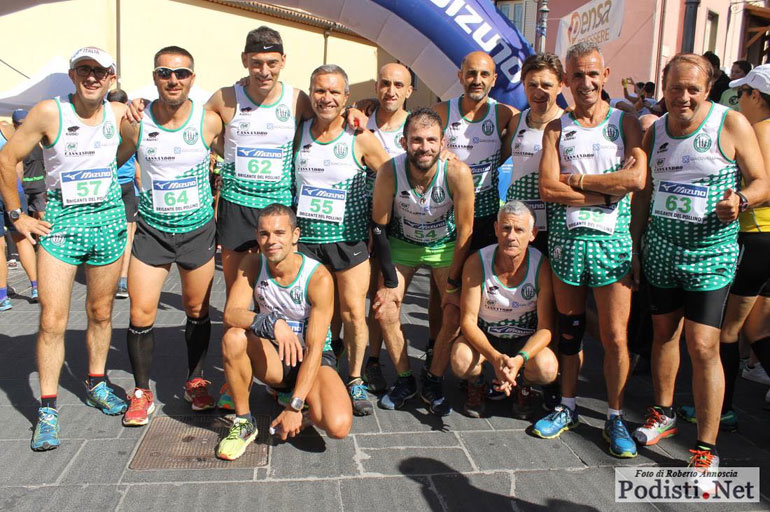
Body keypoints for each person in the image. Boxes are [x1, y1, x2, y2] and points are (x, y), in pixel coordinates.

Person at [630, 56, 768, 477]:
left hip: (710, 253)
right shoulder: (655, 132)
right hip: (661, 249)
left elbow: (763, 181)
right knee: (663, 334)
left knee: (704, 346)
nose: (683, 96)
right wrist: (637, 246)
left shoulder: (730, 124)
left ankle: (705, 449)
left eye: (692, 88)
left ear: (708, 89)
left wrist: (740, 201)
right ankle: (663, 412)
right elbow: (644, 193)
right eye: (675, 88)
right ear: (665, 88)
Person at [0, 47, 129, 451]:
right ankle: (49, 408)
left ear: (111, 77)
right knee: (52, 320)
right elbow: (6, 159)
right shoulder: (48, 112)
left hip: (107, 218)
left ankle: (95, 381)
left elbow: (126, 151)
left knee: (101, 312)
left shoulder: (119, 114)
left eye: (100, 71)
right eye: (84, 70)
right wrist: (17, 215)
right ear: (73, 75)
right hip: (62, 222)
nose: (92, 77)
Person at [532, 41, 647, 459]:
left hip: (612, 245)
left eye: (592, 74)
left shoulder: (625, 122)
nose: (585, 82)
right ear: (566, 80)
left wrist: (579, 183)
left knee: (616, 337)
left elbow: (635, 179)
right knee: (571, 329)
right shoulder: (557, 129)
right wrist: (605, 191)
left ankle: (615, 415)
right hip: (567, 243)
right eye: (577, 75)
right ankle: (568, 406)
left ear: (606, 74)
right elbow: (547, 187)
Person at [117, 46, 223, 426]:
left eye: (181, 74)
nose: (173, 80)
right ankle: (142, 391)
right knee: (140, 312)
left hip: (197, 232)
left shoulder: (209, 121)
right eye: (164, 72)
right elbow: (114, 159)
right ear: (155, 76)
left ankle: (196, 380)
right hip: (153, 231)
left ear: (192, 78)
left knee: (197, 311)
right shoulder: (136, 122)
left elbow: (238, 147)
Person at [217, 203, 352, 460]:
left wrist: (295, 407)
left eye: (280, 233)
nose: (271, 241)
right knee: (234, 336)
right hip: (275, 358)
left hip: (312, 359)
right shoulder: (252, 263)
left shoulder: (318, 277)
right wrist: (272, 323)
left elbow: (313, 349)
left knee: (338, 426)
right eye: (265, 234)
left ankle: (301, 404)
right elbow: (231, 313)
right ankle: (244, 422)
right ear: (257, 236)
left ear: (295, 236)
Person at [293, 64, 389, 416]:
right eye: (320, 90)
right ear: (310, 93)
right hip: (306, 243)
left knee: (352, 312)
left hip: (348, 241)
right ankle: (312, 368)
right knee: (310, 313)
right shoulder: (298, 131)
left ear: (347, 97)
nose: (326, 98)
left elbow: (390, 173)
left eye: (335, 92)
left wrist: (376, 215)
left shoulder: (359, 137)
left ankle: (355, 378)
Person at [370, 108, 474, 415]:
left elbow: (466, 229)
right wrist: (388, 282)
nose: (424, 147)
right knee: (385, 308)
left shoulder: (457, 172)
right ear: (403, 142)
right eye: (416, 140)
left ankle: (434, 377)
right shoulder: (390, 171)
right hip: (403, 244)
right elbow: (379, 226)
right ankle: (404, 378)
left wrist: (454, 280)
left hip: (444, 245)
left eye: (431, 140)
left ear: (443, 142)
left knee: (453, 312)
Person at [450, 201, 558, 418]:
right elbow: (468, 322)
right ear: (496, 229)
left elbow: (546, 328)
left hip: (523, 339)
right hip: (486, 337)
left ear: (533, 234)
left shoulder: (542, 265)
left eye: (519, 230)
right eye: (506, 228)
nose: (511, 236)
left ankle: (524, 385)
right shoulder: (477, 262)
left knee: (547, 368)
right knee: (460, 360)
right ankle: (477, 384)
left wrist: (519, 360)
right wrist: (495, 358)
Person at [434, 51, 517, 254]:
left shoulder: (504, 113)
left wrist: (568, 112)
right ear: (460, 76)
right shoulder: (441, 111)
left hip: (485, 214)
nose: (477, 80)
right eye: (471, 73)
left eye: (484, 74)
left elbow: (539, 120)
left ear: (494, 79)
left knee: (479, 277)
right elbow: (412, 135)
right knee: (443, 280)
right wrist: (366, 108)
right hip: (447, 211)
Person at [362, 62, 413, 393]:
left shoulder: (417, 127)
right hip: (356, 219)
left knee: (382, 296)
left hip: (398, 226)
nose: (390, 90)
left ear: (409, 91)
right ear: (376, 85)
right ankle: (346, 356)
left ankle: (376, 361)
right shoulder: (360, 120)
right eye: (385, 83)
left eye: (398, 85)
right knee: (352, 296)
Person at [505, 53, 565, 254]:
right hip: (519, 222)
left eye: (546, 85)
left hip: (555, 222)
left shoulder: (569, 123)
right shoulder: (516, 121)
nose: (539, 91)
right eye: (532, 85)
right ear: (523, 85)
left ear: (560, 85)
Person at [0, 118, 38, 309]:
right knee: (22, 238)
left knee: (0, 244)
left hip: (10, 190)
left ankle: (2, 296)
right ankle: (36, 287)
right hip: (11, 189)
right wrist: (18, 190)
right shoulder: (5, 128)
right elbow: (17, 164)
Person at [106, 89, 140, 299]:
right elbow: (136, 163)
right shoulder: (130, 125)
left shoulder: (103, 124)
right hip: (127, 185)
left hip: (108, 185)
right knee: (127, 235)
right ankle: (122, 281)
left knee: (109, 233)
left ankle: (111, 278)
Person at [14, 110, 47, 221]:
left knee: (25, 220)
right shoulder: (40, 140)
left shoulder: (16, 143)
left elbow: (19, 171)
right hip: (40, 186)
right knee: (42, 216)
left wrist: (19, 187)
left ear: (14, 125)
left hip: (25, 188)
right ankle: (47, 237)